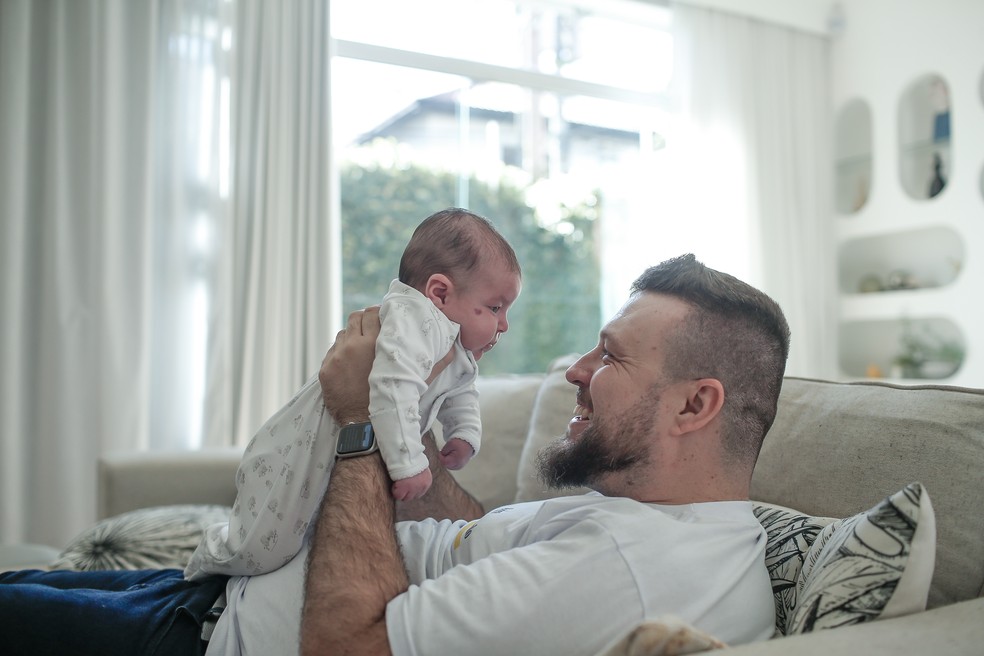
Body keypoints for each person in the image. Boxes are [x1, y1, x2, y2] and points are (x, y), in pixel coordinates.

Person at [0, 254, 790, 656]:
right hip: (210, 599)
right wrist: (405, 432)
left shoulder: (628, 569)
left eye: (609, 357)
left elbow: (345, 650)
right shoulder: (679, 525)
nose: (575, 371)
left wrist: (358, 426)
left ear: (696, 404)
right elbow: (478, 538)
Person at [183, 207, 522, 581]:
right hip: (299, 447)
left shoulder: (456, 347)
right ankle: (207, 558)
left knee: (308, 540)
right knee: (265, 548)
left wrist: (463, 433)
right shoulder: (417, 320)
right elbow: (394, 387)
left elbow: (461, 390)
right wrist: (410, 463)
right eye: (495, 307)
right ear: (439, 293)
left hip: (334, 455)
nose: (503, 324)